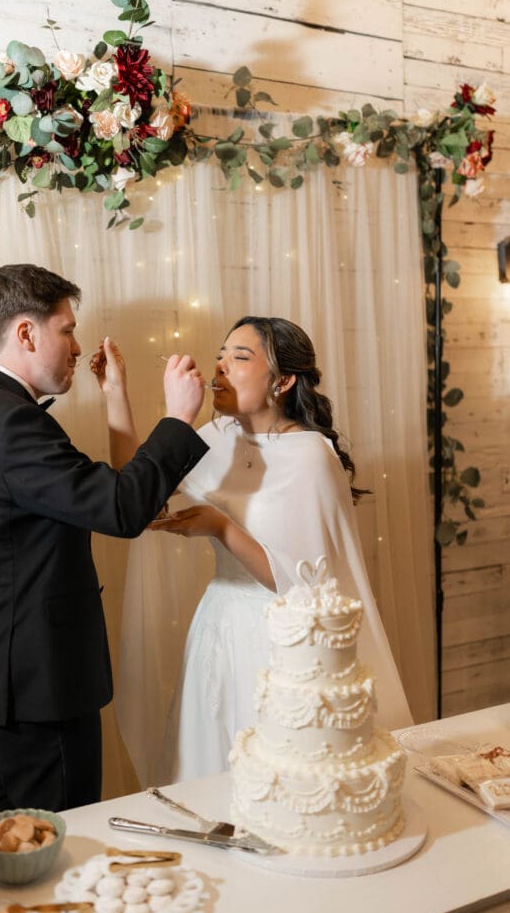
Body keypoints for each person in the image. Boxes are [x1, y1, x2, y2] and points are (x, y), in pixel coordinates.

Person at [0, 263, 208, 816]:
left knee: (10, 846)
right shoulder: (12, 425)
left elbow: (116, 492)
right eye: (67, 329)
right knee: (59, 849)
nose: (77, 346)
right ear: (27, 333)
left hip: (4, 679)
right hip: (41, 688)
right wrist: (179, 416)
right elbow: (124, 509)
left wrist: (115, 395)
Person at [116, 315, 413, 786]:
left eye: (239, 357)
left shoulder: (310, 455)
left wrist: (219, 526)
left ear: (284, 379)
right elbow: (134, 494)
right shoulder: (216, 438)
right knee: (208, 776)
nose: (220, 368)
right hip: (217, 627)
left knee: (279, 786)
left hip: (280, 645)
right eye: (219, 356)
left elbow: (307, 589)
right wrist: (115, 392)